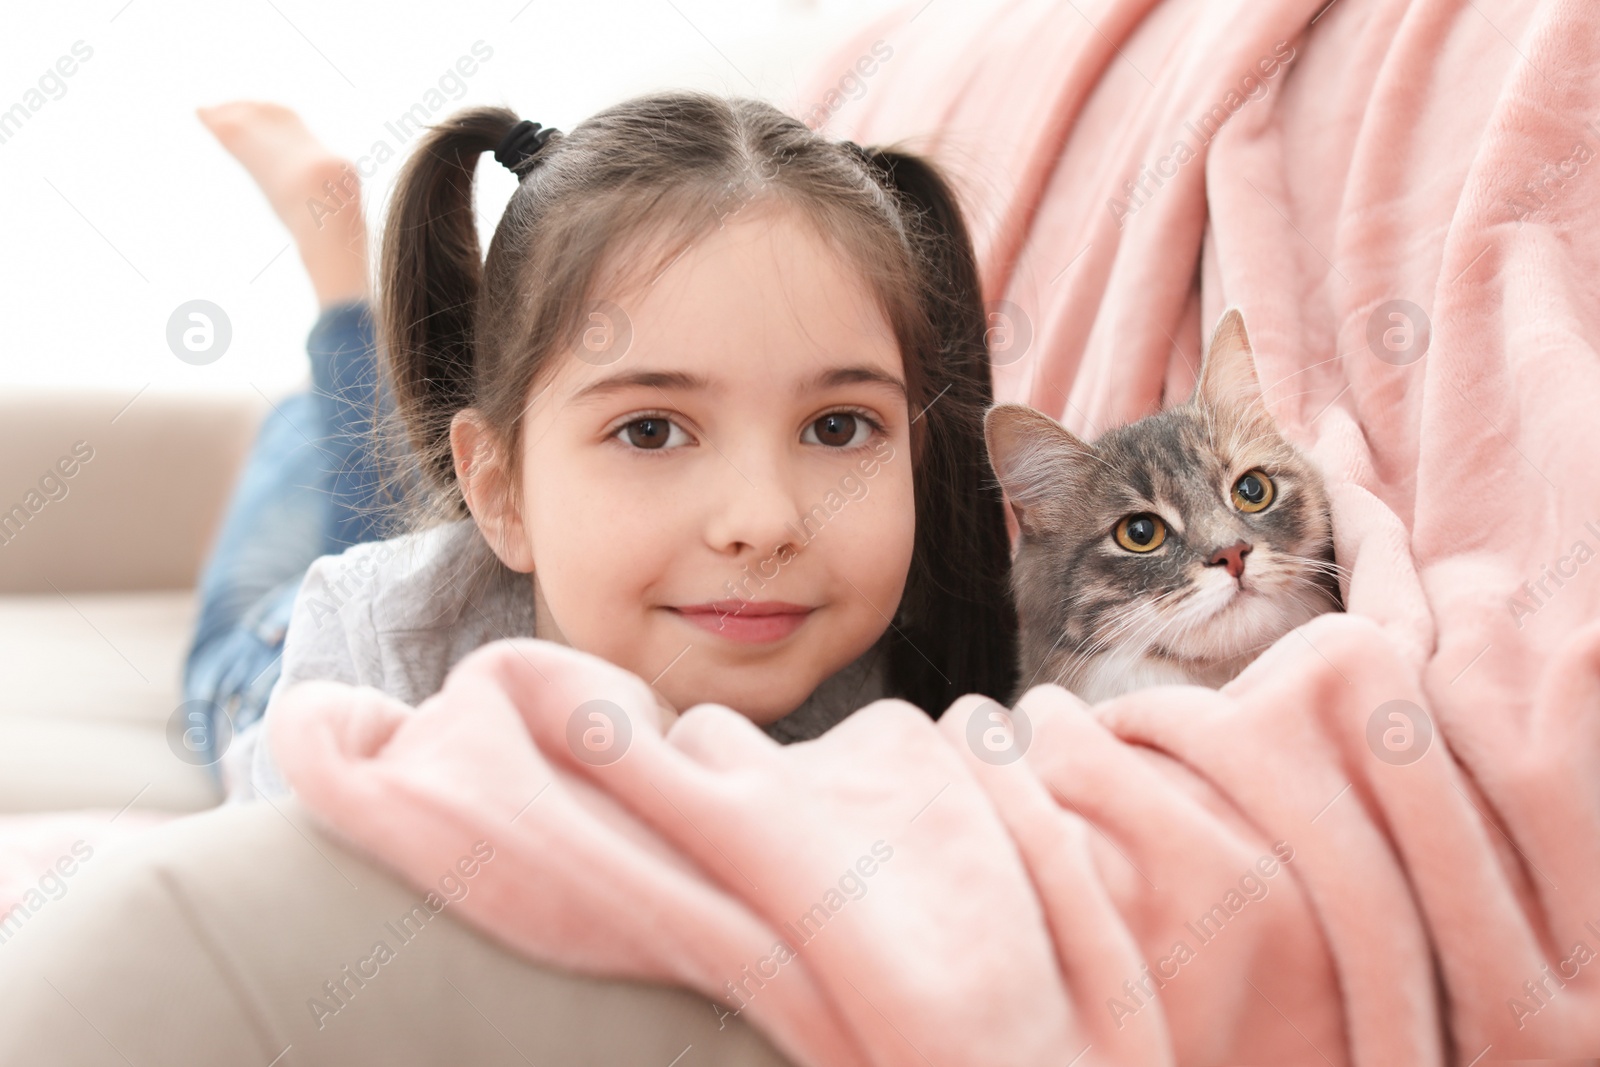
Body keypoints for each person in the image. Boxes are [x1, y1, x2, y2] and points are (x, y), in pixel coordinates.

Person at [181, 93, 1020, 800]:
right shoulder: (372, 656)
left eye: (838, 426)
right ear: (501, 492)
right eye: (650, 430)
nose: (765, 523)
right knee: (329, 496)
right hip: (269, 651)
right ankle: (336, 282)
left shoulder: (920, 690)